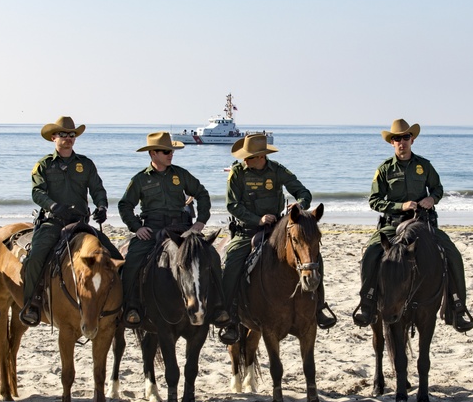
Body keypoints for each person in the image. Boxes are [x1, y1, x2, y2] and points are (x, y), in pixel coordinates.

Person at [352, 119, 473, 332]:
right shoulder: (384, 169)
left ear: (412, 139)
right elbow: (374, 200)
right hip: (393, 224)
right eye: (397, 139)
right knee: (371, 254)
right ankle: (368, 303)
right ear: (392, 143)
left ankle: (457, 305)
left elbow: (438, 189)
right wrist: (400, 205)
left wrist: (431, 200)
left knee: (453, 254)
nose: (402, 142)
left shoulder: (424, 166)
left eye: (406, 137)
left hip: (422, 223)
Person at [217, 134, 336, 344]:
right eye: (245, 156)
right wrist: (258, 218)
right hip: (247, 231)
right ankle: (230, 318)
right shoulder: (237, 172)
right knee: (232, 262)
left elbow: (303, 192)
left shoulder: (278, 170)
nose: (246, 159)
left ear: (262, 156)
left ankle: (319, 307)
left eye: (250, 156)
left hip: (276, 230)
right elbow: (232, 205)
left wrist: (300, 204)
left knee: (313, 257)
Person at [118, 131, 228, 328]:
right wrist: (136, 228)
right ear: (153, 153)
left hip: (181, 228)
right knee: (133, 259)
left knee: (211, 254)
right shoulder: (140, 179)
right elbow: (125, 205)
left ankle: (219, 306)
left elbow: (202, 193)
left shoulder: (181, 174)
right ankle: (132, 305)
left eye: (171, 151)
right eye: (165, 151)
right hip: (152, 228)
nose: (170, 154)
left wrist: (201, 222)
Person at [19, 116, 121, 326]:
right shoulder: (44, 165)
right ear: (53, 137)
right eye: (63, 135)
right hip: (53, 222)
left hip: (80, 223)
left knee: (116, 257)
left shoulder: (85, 164)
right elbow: (37, 192)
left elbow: (97, 189)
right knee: (36, 258)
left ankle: (120, 306)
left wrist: (102, 206)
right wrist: (54, 206)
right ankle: (32, 303)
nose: (68, 138)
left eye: (71, 135)